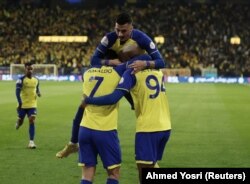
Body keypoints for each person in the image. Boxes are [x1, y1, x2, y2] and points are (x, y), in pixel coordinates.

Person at [56, 11, 166, 158]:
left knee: (145, 115)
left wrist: (144, 63)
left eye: (124, 31)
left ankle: (150, 157)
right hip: (114, 74)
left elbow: (161, 62)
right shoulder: (109, 38)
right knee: (85, 106)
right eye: (117, 30)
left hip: (136, 77)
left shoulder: (141, 38)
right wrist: (110, 62)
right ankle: (73, 143)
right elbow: (93, 61)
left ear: (131, 28)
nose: (120, 34)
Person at [82, 64, 171, 183]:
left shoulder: (131, 73)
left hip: (148, 127)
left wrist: (88, 100)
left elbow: (113, 98)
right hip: (165, 125)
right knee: (151, 164)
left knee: (144, 170)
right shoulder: (156, 69)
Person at [15, 62, 41, 149]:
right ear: (25, 69)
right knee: (20, 121)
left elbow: (37, 89)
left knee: (32, 120)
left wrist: (38, 93)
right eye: (28, 69)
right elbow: (17, 93)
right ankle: (18, 123)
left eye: (31, 69)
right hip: (23, 105)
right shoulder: (21, 80)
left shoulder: (36, 80)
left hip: (33, 104)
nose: (30, 70)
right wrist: (19, 103)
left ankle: (31, 142)